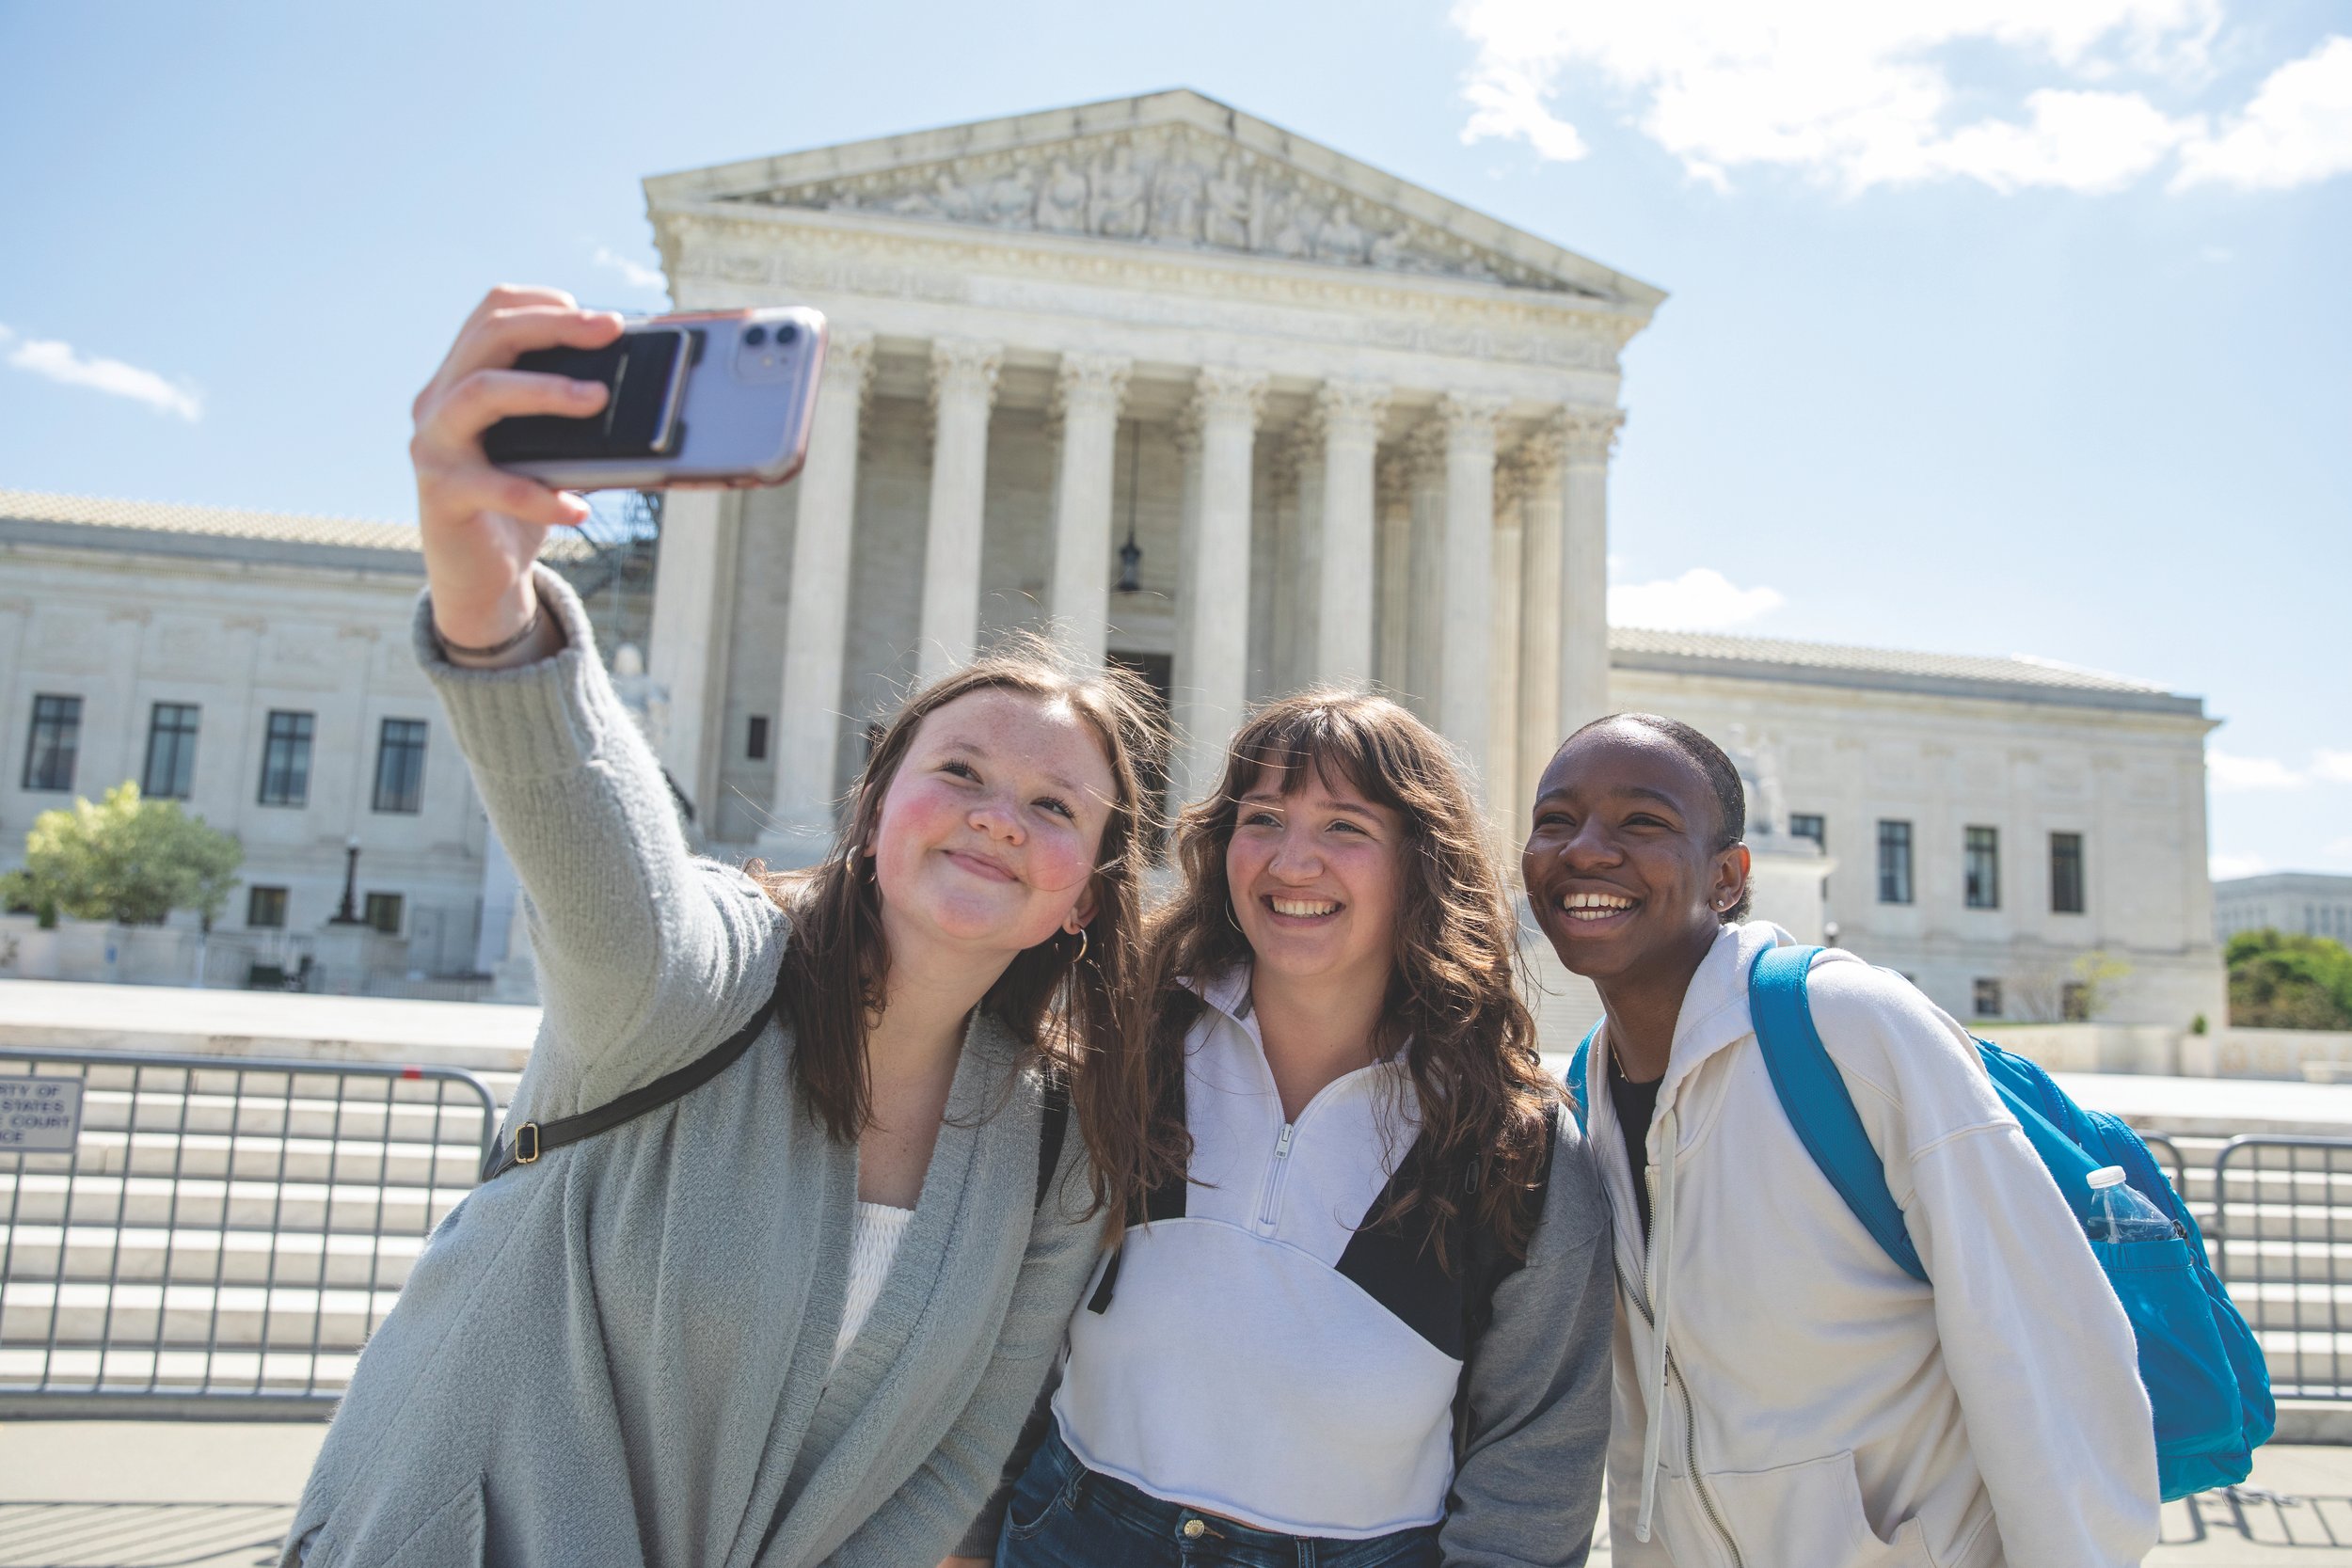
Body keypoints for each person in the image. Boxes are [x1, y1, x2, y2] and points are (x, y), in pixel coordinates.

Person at [283, 287, 1165, 1568]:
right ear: (875, 807)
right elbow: (594, 842)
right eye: (960, 772)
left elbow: (958, 1460)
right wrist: (492, 605)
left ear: (1083, 892)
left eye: (1051, 804)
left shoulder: (1051, 1141)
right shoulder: (695, 981)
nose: (996, 819)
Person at [985, 692, 1615, 1568]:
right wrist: (975, 1533)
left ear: (1420, 864)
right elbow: (1012, 1321)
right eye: (1264, 818)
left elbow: (1537, 1451)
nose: (1292, 861)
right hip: (1076, 1529)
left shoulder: (1517, 1142)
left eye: (1345, 828)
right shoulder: (1130, 1046)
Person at [1521, 712, 2158, 1568]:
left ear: (1728, 876)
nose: (1586, 850)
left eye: (1643, 822)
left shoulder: (1849, 1027)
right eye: (1556, 820)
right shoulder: (1592, 1082)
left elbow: (2046, 1347)